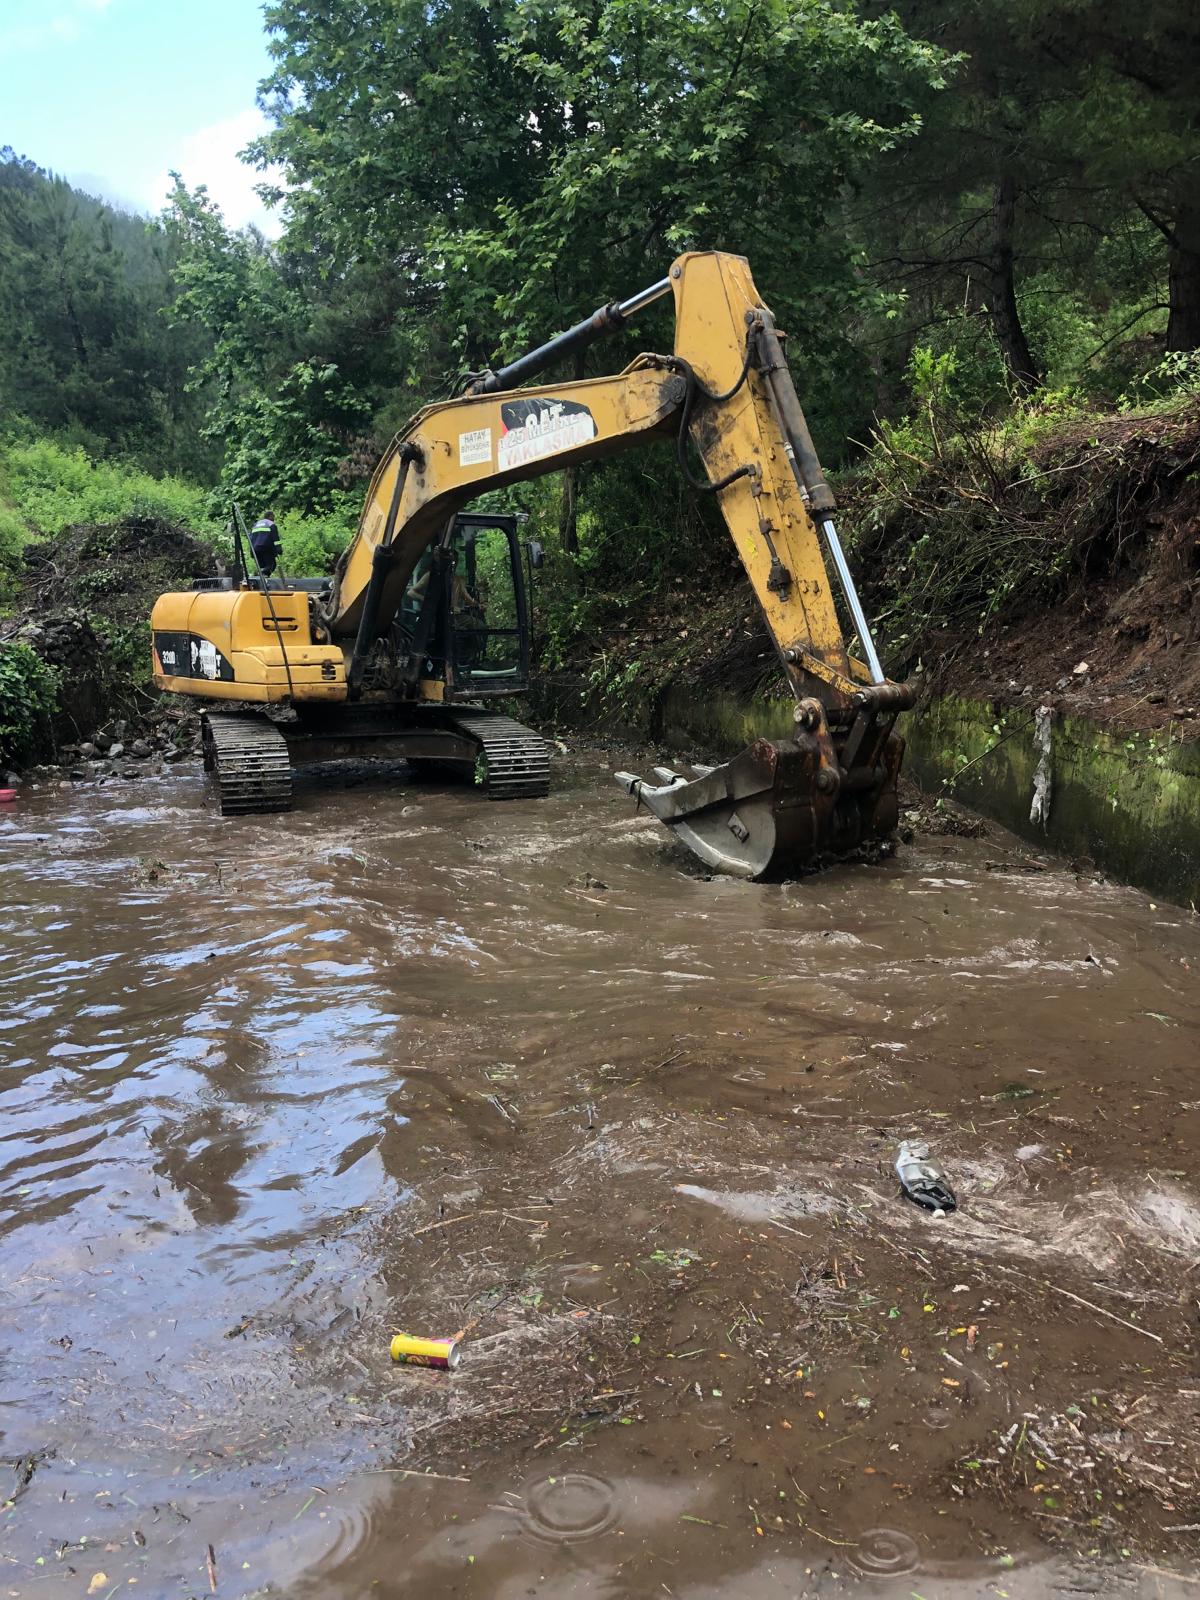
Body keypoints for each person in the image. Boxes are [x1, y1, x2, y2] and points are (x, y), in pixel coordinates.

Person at [249, 512, 282, 578]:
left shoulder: (256, 525)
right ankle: (260, 573)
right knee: (271, 565)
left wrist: (251, 551)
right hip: (267, 549)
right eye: (273, 517)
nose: (274, 519)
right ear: (270, 516)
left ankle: (263, 579)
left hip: (256, 549)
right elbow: (275, 538)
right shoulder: (271, 524)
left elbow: (251, 539)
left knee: (262, 566)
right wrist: (279, 548)